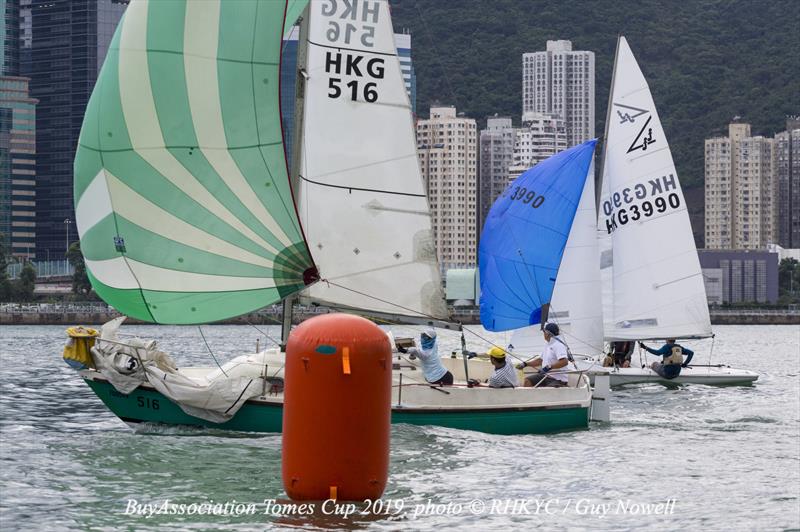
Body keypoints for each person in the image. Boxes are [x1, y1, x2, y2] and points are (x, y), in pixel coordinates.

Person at [515, 323, 570, 388]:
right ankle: (529, 398)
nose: (543, 334)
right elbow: (540, 360)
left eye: (544, 332)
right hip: (546, 376)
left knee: (546, 390)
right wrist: (525, 364)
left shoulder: (558, 345)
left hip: (558, 379)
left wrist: (549, 367)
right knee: (527, 381)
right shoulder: (548, 344)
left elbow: (564, 362)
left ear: (548, 333)